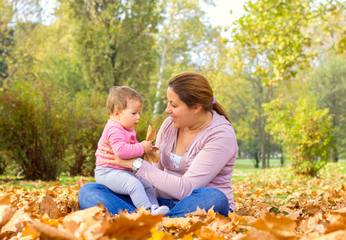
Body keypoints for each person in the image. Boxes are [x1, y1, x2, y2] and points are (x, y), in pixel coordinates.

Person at [79, 71, 238, 217]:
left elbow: (187, 189)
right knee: (89, 192)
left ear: (196, 107)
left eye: (173, 105)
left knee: (215, 198)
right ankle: (152, 216)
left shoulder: (221, 134)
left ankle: (148, 221)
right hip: (158, 202)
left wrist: (136, 164)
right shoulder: (170, 124)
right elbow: (154, 172)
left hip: (192, 203)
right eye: (168, 103)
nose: (167, 110)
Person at [93, 86, 170, 215]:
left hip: (122, 171)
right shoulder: (114, 129)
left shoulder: (126, 129)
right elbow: (121, 151)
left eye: (139, 112)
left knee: (147, 185)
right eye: (134, 113)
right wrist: (141, 147)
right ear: (117, 113)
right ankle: (146, 211)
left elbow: (132, 153)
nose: (138, 117)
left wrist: (143, 151)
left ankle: (155, 208)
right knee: (134, 184)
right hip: (107, 171)